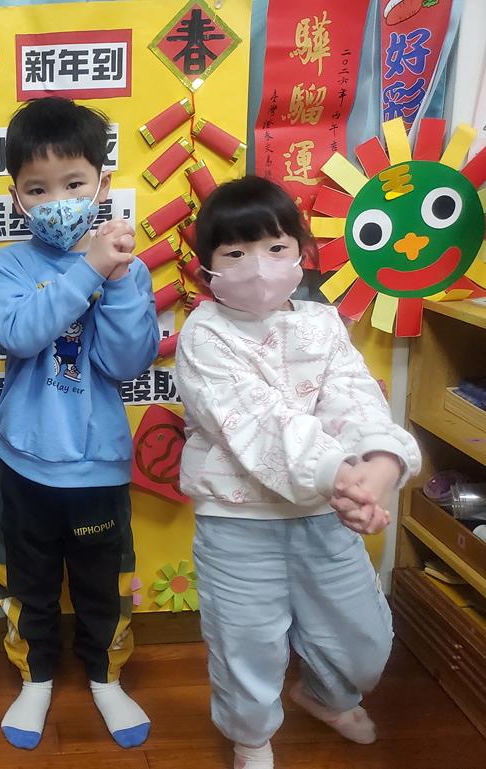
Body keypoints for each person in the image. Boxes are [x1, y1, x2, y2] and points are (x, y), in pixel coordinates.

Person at [174, 176, 422, 769]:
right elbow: (257, 422)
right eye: (235, 253)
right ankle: (251, 740)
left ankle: (324, 697)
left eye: (276, 247)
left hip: (324, 518)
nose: (258, 266)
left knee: (364, 642)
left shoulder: (323, 323)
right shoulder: (203, 333)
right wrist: (342, 475)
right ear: (207, 268)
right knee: (245, 648)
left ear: (301, 252)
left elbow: (355, 399)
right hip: (237, 524)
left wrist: (379, 466)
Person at [0, 96, 159, 751]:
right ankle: (35, 678)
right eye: (38, 188)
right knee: (25, 582)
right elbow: (20, 334)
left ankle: (105, 677)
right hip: (23, 462)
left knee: (101, 586)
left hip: (97, 464)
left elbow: (125, 361)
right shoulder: (8, 265)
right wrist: (88, 267)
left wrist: (114, 276)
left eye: (73, 183)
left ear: (102, 185)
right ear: (17, 198)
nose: (56, 199)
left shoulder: (128, 269)